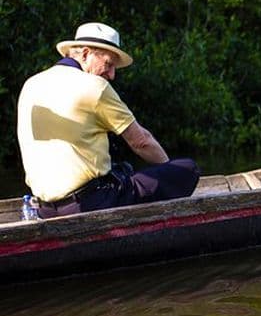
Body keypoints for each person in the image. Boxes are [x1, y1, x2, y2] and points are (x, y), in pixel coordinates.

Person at [16, 22, 200, 218]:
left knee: (123, 170)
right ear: (85, 54)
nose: (112, 75)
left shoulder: (31, 84)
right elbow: (141, 141)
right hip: (91, 203)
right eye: (108, 64)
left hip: (45, 209)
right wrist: (168, 170)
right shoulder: (95, 86)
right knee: (187, 168)